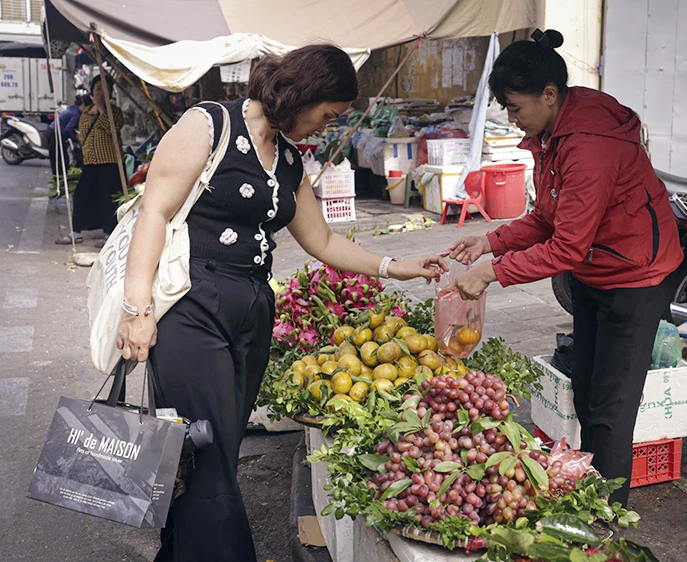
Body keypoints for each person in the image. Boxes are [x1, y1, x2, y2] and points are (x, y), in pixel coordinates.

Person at [116, 44, 446, 562]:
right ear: (305, 93)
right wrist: (137, 310)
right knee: (206, 456)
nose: (327, 127)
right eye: (328, 115)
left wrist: (396, 266)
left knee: (215, 452)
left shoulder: (289, 160)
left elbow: (323, 241)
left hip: (250, 314)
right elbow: (153, 212)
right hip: (189, 305)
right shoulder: (210, 126)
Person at [443, 29, 683, 508]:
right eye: (506, 109)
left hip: (637, 276)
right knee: (589, 389)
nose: (512, 120)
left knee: (612, 405)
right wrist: (488, 242)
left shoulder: (588, 145)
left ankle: (608, 516)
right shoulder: (551, 134)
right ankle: (589, 486)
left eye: (515, 108)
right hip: (597, 271)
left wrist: (492, 272)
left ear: (549, 95)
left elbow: (565, 247)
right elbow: (547, 217)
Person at [56, 75, 124, 245]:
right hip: (91, 162)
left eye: (105, 89)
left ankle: (109, 233)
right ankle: (76, 231)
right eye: (97, 89)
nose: (100, 92)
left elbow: (111, 129)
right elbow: (83, 132)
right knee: (81, 195)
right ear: (92, 90)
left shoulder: (115, 112)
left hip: (110, 161)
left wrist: (103, 109)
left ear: (111, 91)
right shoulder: (86, 112)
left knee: (109, 198)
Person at [48, 94, 89, 176]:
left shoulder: (73, 109)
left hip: (54, 129)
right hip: (56, 132)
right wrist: (76, 139)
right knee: (60, 156)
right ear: (83, 105)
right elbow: (69, 129)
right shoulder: (76, 114)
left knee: (59, 155)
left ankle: (59, 174)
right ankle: (59, 175)